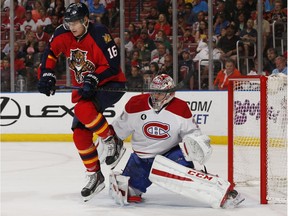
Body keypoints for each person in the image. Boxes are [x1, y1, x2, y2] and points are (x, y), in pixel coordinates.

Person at [107, 74, 244, 208]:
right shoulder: (135, 104)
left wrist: (194, 145)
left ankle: (222, 190)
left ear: (170, 94)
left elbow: (193, 134)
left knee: (187, 179)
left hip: (170, 155)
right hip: (141, 159)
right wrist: (108, 142)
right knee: (125, 193)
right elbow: (117, 131)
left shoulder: (180, 108)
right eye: (153, 92)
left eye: (159, 94)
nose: (155, 96)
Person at [37, 2, 126, 202]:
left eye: (75, 22)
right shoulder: (62, 33)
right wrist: (47, 74)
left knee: (84, 110)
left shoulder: (100, 33)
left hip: (111, 84)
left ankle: (112, 141)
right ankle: (95, 174)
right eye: (69, 23)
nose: (72, 26)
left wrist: (94, 78)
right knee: (79, 134)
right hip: (85, 89)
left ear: (86, 20)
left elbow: (113, 65)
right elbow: (50, 52)